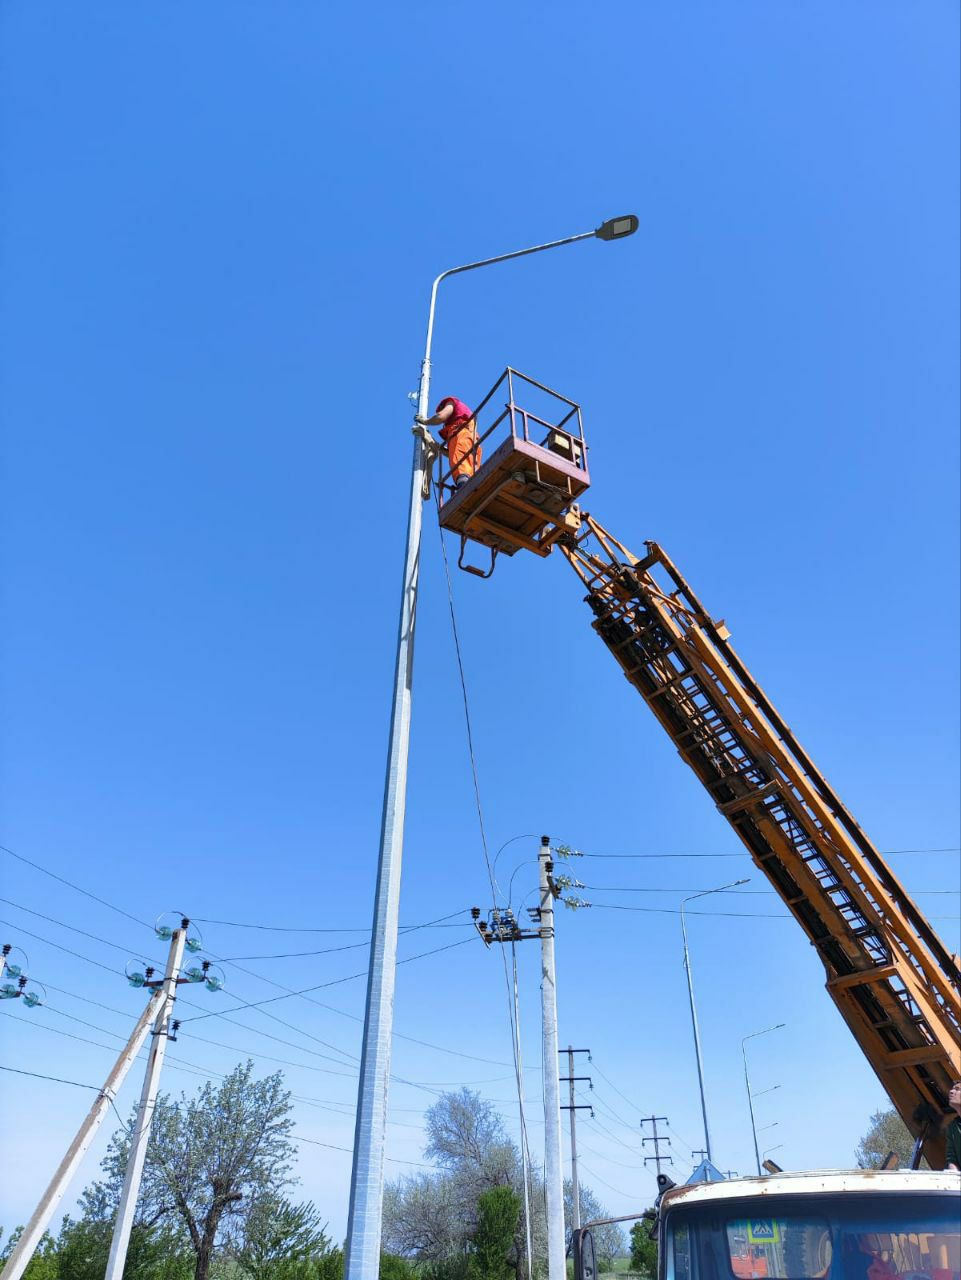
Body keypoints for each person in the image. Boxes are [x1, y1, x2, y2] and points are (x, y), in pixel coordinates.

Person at [416, 396, 482, 489]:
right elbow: (451, 453)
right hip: (470, 440)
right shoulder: (461, 433)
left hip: (462, 434)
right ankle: (468, 485)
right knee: (469, 467)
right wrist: (432, 442)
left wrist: (425, 421)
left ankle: (463, 486)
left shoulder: (451, 402)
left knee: (461, 465)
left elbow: (440, 416)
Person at [946, 1079, 961, 1171]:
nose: (951, 1091)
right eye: (952, 1089)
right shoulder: (952, 1127)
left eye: (957, 1089)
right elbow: (952, 1159)